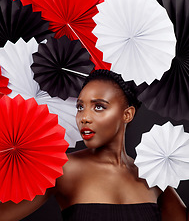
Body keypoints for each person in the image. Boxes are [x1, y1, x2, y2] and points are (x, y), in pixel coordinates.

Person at [0, 69, 187, 221]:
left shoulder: (152, 174)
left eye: (99, 107)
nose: (85, 118)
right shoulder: (64, 169)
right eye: (80, 107)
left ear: (127, 114)